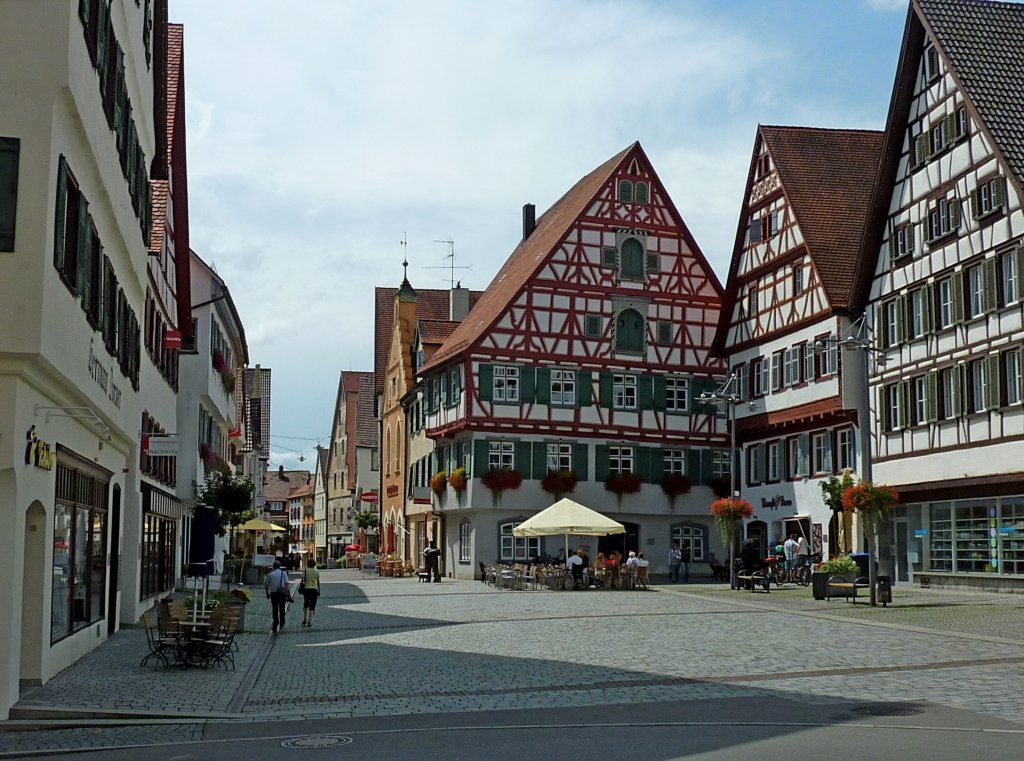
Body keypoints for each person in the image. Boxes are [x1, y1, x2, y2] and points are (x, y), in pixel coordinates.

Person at [264, 560, 291, 632]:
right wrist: (288, 594)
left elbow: (266, 585)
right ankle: (282, 622)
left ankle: (275, 622)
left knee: (275, 609)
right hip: (282, 593)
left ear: (273, 567)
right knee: (282, 608)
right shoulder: (284, 573)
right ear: (279, 566)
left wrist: (267, 594)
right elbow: (286, 584)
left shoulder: (270, 574)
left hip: (274, 594)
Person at [300, 559, 320, 628]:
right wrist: (319, 591)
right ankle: (310, 622)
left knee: (306, 603)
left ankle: (305, 619)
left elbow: (302, 580)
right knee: (312, 605)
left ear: (308, 564)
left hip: (306, 589)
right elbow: (318, 582)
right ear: (314, 564)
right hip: (314, 589)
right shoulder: (316, 571)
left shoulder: (305, 571)